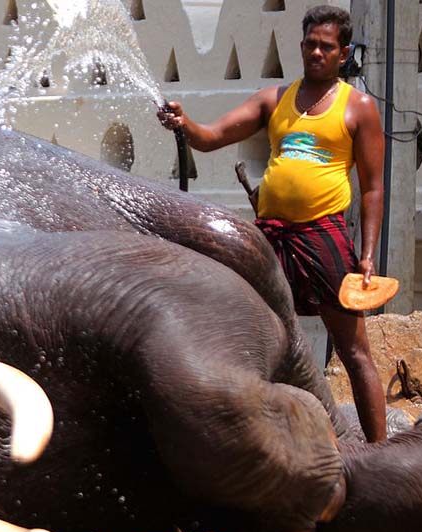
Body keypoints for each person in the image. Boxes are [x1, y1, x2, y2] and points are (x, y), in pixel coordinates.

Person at [158, 5, 388, 442]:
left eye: (326, 46)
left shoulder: (358, 108)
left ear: (343, 54)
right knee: (256, 338)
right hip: (271, 239)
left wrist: (368, 255)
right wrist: (184, 123)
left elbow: (373, 187)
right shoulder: (274, 99)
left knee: (354, 350)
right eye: (310, 44)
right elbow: (210, 138)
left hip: (324, 236)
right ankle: (260, 442)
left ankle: (382, 456)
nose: (316, 52)